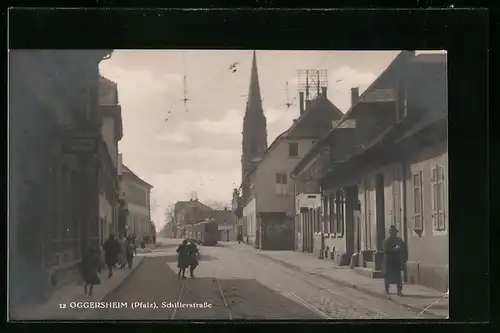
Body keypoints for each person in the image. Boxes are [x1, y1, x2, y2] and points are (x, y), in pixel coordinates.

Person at [383, 225, 408, 296]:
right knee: (387, 276)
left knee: (398, 277)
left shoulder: (399, 240)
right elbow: (385, 250)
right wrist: (394, 249)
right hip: (389, 261)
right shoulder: (387, 241)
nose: (394, 234)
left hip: (397, 261)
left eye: (394, 232)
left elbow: (404, 249)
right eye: (392, 232)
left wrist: (404, 259)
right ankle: (386, 289)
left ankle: (399, 291)